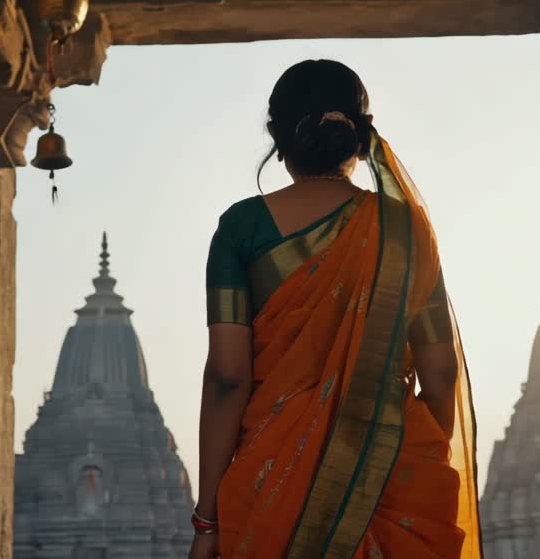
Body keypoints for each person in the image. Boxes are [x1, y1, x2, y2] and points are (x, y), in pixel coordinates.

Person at [190, 59, 482, 559]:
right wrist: (402, 456)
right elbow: (440, 371)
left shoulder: (242, 228)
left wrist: (207, 522)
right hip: (394, 483)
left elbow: (227, 378)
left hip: (273, 490)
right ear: (362, 136)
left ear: (276, 137)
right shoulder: (406, 229)